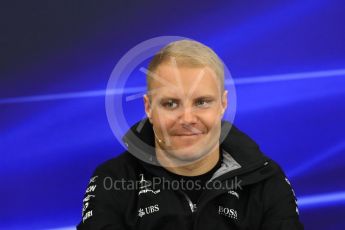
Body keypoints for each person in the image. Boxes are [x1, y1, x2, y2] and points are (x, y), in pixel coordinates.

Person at [77, 39, 304, 229]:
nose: (187, 119)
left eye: (202, 102)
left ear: (223, 104)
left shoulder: (267, 180)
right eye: (171, 103)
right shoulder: (112, 181)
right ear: (148, 108)